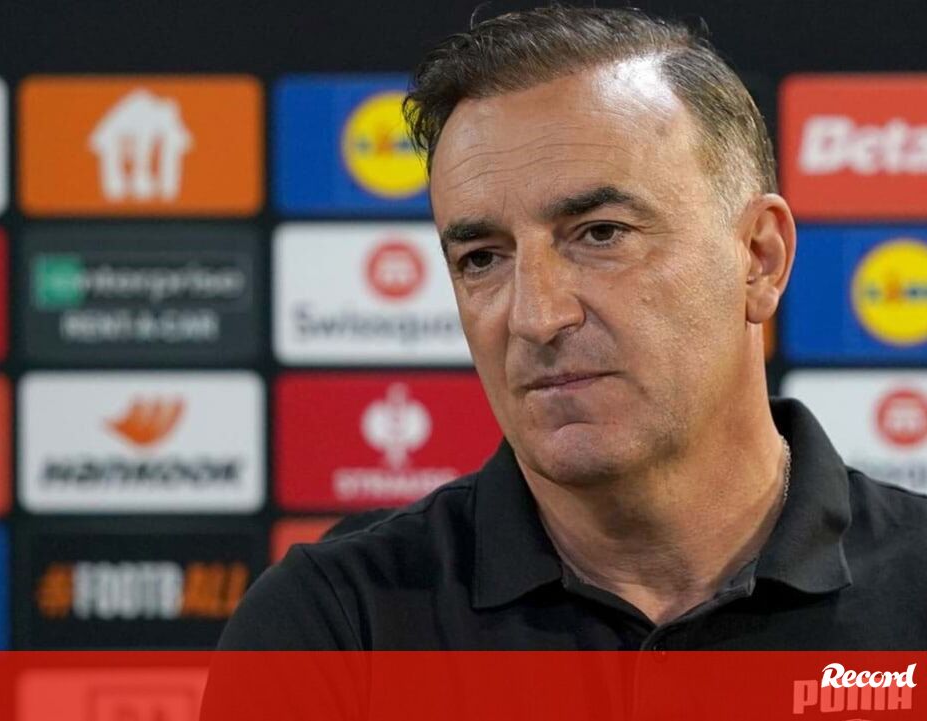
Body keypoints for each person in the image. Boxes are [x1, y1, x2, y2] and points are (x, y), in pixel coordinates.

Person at [218, 6, 927, 649]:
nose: (536, 316)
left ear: (758, 258)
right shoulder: (338, 624)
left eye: (600, 233)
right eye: (482, 257)